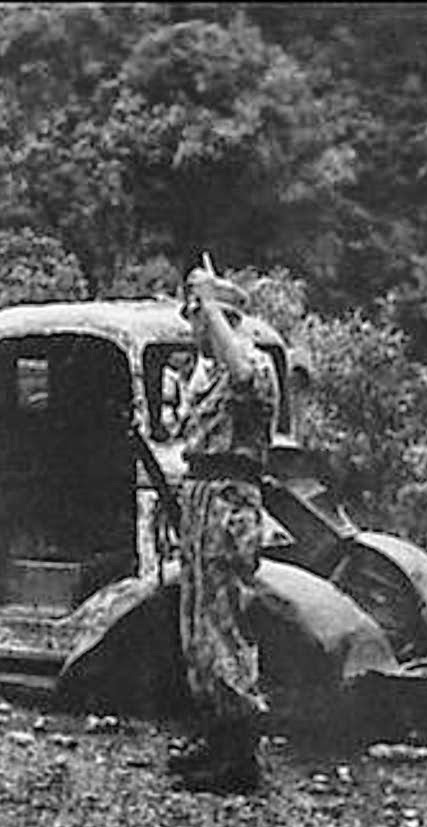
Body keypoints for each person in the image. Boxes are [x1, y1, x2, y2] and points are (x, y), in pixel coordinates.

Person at [167, 267, 279, 793]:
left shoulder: (250, 363)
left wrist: (210, 304)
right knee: (196, 627)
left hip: (231, 503)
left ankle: (239, 754)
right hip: (202, 500)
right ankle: (214, 733)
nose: (193, 329)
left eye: (199, 320)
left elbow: (242, 376)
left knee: (224, 626)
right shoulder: (205, 373)